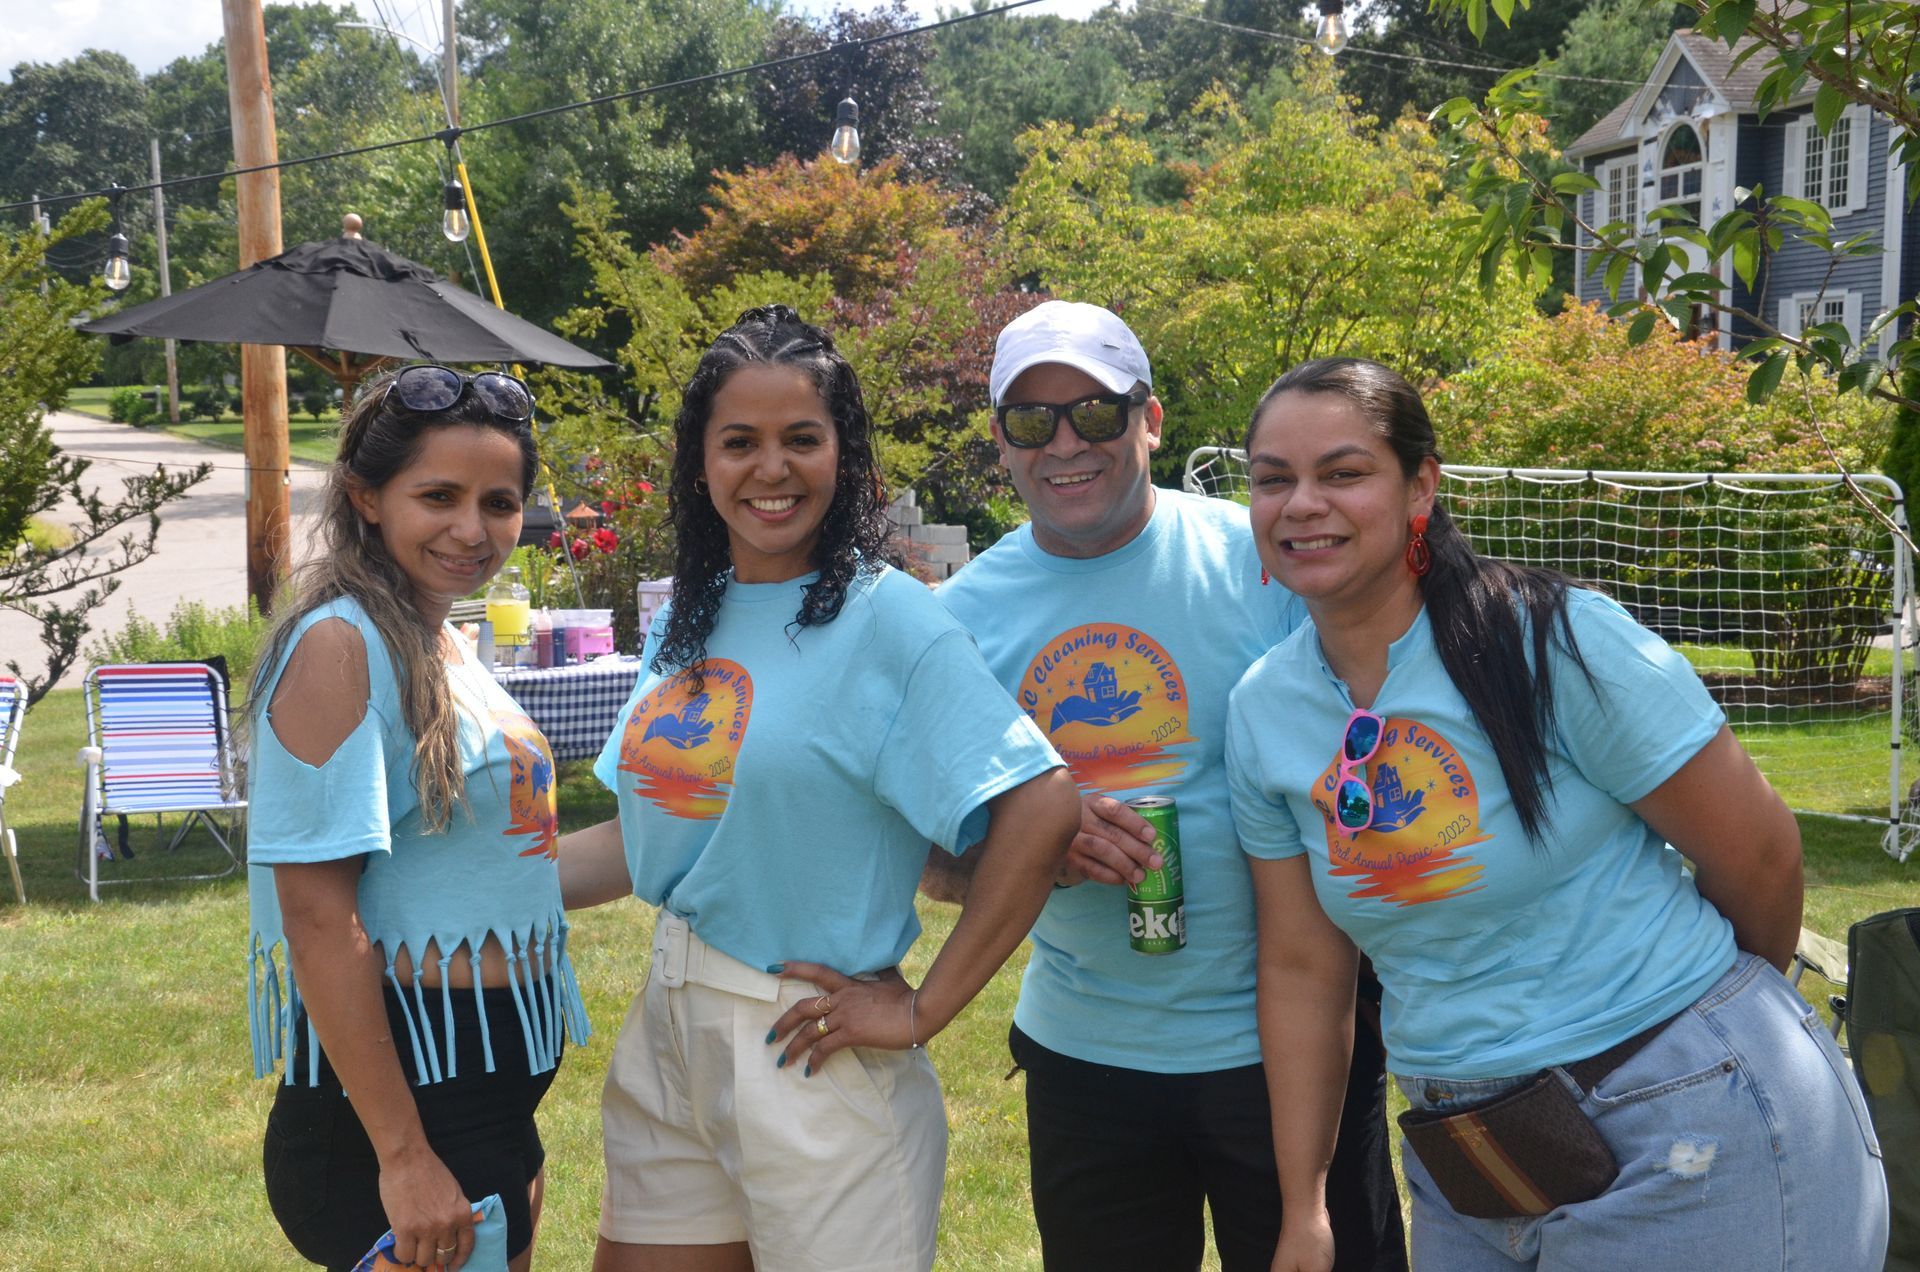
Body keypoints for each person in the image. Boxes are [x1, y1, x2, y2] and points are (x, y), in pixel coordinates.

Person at [1225, 356, 1889, 1271]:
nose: (1301, 504)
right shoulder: (1264, 711)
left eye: (1343, 473)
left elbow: (1762, 855)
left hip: (1690, 1117)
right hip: (1474, 1155)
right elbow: (1303, 969)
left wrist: (1693, 1031)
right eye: (1273, 480)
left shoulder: (1553, 640)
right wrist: (1305, 1204)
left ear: (1421, 487)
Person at [557, 304, 1081, 1272]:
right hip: (671, 1026)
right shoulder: (690, 619)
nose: (771, 469)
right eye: (740, 442)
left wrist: (926, 1009)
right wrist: (461, 885)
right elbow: (649, 840)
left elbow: (1042, 804)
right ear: (700, 460)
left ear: (843, 453)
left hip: (809, 1052)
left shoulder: (889, 619)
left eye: (802, 439)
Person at [929, 301, 1407, 1271]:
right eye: (1031, 420)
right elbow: (924, 855)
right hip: (1087, 1060)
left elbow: (1382, 766)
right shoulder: (956, 621)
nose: (1065, 443)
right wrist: (1029, 854)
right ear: (1000, 443)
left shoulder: (1268, 561)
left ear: (1151, 420)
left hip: (1294, 1049)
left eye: (1096, 413)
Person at [244, 364, 588, 1272]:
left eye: (499, 501)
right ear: (365, 495)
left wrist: (704, 822)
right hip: (401, 1119)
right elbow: (318, 916)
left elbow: (505, 869)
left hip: (489, 1102)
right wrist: (404, 1157)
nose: (473, 530)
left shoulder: (442, 640)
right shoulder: (339, 644)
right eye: (438, 496)